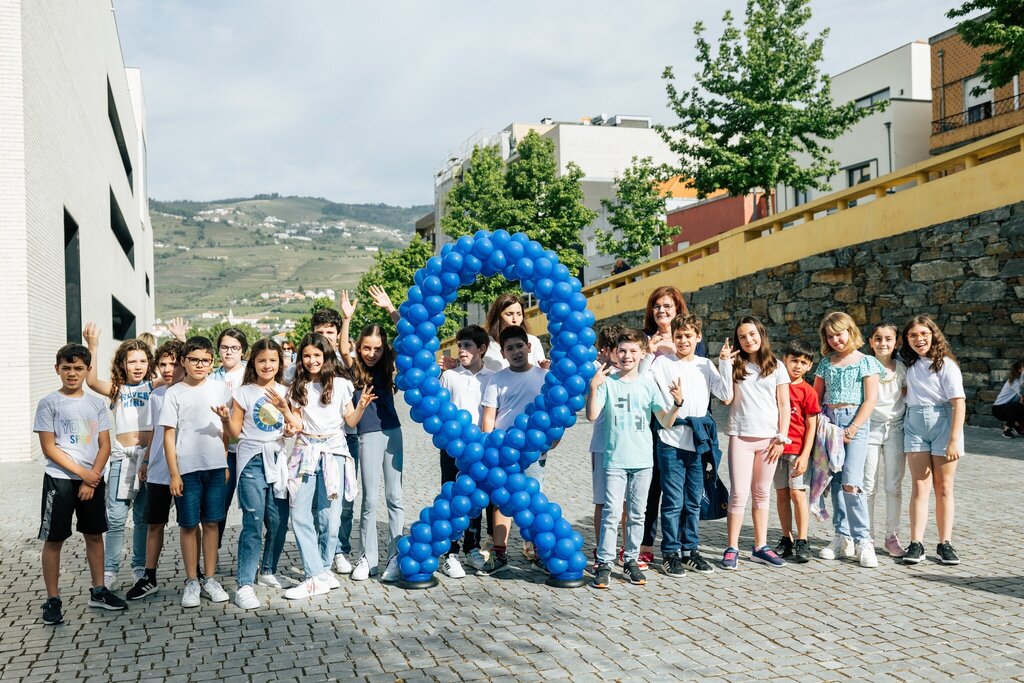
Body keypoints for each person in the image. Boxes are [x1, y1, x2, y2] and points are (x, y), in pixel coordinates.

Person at [36, 344, 126, 625]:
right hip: (60, 480)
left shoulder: (96, 403)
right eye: (66, 368)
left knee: (94, 535)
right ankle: (53, 599)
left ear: (87, 370)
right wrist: (82, 474)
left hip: (92, 480)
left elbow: (105, 444)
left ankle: (99, 591)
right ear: (57, 369)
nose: (72, 373)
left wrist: (93, 476)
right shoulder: (49, 403)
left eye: (78, 368)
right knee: (54, 539)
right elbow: (49, 448)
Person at [589, 329, 684, 589]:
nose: (627, 356)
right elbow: (592, 415)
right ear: (615, 353)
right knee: (611, 513)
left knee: (637, 514)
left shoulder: (648, 384)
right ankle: (605, 562)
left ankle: (631, 559)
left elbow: (665, 421)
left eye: (633, 351)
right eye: (622, 351)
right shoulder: (608, 382)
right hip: (614, 460)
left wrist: (677, 404)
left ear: (643, 353)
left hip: (642, 461)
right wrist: (593, 387)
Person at [218, 338, 302, 609]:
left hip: (277, 460)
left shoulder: (286, 391)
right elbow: (234, 432)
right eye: (262, 360)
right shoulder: (243, 393)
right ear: (253, 362)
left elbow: (295, 425)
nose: (267, 365)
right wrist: (224, 419)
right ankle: (245, 584)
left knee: (278, 521)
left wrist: (287, 422)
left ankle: (267, 570)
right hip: (251, 461)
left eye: (272, 360)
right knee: (253, 521)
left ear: (280, 363)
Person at [284, 333, 369, 598]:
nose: (311, 360)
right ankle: (314, 575)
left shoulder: (342, 384)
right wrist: (284, 412)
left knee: (330, 519)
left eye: (317, 355)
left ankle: (322, 570)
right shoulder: (298, 386)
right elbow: (298, 423)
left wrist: (361, 406)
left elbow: (350, 421)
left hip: (334, 453)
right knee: (299, 512)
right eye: (306, 356)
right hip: (305, 452)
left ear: (326, 356)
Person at [648, 315, 733, 577]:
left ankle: (690, 551)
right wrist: (648, 353)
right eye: (679, 336)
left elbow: (726, 395)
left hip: (697, 441)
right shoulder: (662, 363)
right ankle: (670, 552)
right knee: (673, 501)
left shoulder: (705, 365)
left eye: (688, 336)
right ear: (673, 338)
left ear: (698, 337)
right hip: (671, 440)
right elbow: (647, 386)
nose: (683, 340)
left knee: (693, 500)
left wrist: (725, 363)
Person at [82, 322, 157, 591]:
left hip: (148, 459)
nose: (138, 366)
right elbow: (91, 381)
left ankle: (139, 568)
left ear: (149, 363)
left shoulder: (154, 386)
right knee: (115, 518)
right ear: (122, 364)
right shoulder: (117, 389)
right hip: (121, 459)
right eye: (132, 361)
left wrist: (180, 339)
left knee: (142, 518)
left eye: (142, 361)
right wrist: (92, 345)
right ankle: (110, 571)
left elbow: (179, 374)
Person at [159, 336, 233, 607]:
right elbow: (169, 436)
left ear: (212, 363)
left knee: (212, 523)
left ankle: (210, 578)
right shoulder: (174, 393)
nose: (200, 365)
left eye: (205, 360)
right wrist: (174, 473)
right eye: (194, 360)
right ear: (183, 361)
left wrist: (224, 461)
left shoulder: (220, 389)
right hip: (187, 469)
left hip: (215, 467)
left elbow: (226, 430)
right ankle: (192, 580)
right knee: (189, 525)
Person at [639, 285, 703, 567]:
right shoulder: (645, 339)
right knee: (652, 483)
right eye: (657, 306)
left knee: (682, 491)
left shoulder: (687, 338)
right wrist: (649, 351)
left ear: (678, 310)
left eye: (667, 305)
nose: (661, 310)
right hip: (650, 418)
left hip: (680, 421)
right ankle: (646, 543)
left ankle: (683, 546)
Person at [720, 316, 791, 570]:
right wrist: (724, 364)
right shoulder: (735, 365)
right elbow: (726, 399)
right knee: (739, 493)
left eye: (752, 334)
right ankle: (732, 548)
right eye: (742, 336)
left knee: (761, 493)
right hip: (740, 437)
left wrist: (782, 438)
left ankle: (760, 547)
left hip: (769, 440)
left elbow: (784, 405)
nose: (748, 340)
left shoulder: (777, 366)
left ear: (761, 334)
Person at [814, 312, 882, 568]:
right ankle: (842, 536)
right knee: (836, 480)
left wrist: (852, 428)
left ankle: (863, 539)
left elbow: (870, 400)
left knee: (852, 483)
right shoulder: (826, 364)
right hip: (830, 424)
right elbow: (816, 398)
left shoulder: (866, 362)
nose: (835, 340)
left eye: (839, 334)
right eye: (830, 336)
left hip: (855, 423)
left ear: (850, 331)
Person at [479, 325, 548, 576]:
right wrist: (488, 447)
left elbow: (552, 413)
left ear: (529, 347)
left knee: (534, 501)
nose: (516, 351)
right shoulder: (497, 379)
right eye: (510, 348)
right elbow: (489, 416)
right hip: (503, 452)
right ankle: (499, 554)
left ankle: (540, 553)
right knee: (501, 502)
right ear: (503, 353)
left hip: (533, 452)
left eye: (520, 346)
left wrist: (552, 440)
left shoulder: (543, 376)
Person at [898, 315, 966, 566]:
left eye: (924, 334)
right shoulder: (907, 364)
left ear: (933, 335)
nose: (919, 339)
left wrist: (954, 439)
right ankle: (916, 543)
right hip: (915, 424)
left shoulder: (946, 364)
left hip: (943, 423)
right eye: (913, 335)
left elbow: (959, 403)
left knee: (944, 486)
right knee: (919, 485)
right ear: (907, 339)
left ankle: (945, 543)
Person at [346, 324, 405, 583]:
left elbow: (406, 335)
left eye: (378, 349)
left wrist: (391, 308)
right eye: (367, 348)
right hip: (367, 434)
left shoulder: (388, 365)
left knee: (395, 497)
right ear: (359, 347)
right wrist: (347, 319)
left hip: (393, 432)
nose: (372, 354)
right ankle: (366, 558)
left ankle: (395, 558)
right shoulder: (353, 368)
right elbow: (342, 348)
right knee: (369, 500)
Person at [126, 340, 184, 601]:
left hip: (187, 469)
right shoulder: (156, 395)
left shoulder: (190, 392)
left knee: (190, 524)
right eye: (163, 364)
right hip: (159, 470)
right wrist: (147, 461)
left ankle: (196, 575)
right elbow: (153, 433)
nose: (168, 369)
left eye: (174, 363)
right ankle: (149, 576)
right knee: (154, 523)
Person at [438, 324, 495, 577]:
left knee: (476, 500)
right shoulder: (450, 377)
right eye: (459, 345)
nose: (461, 350)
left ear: (481, 349)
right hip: (453, 448)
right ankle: (450, 552)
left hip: (481, 448)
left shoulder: (493, 377)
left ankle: (472, 548)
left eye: (468, 346)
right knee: (452, 496)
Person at [773, 340, 821, 564]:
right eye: (794, 361)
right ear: (785, 360)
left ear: (809, 366)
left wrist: (805, 455)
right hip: (776, 449)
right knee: (782, 493)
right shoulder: (775, 385)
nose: (798, 366)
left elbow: (812, 425)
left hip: (797, 450)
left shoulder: (808, 391)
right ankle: (787, 538)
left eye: (803, 362)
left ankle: (803, 539)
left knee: (797, 494)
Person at [865, 323, 909, 557]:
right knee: (867, 486)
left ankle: (892, 536)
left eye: (888, 339)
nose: (883, 343)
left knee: (894, 486)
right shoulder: (864, 365)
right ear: (871, 341)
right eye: (878, 338)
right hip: (869, 429)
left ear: (896, 342)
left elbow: (906, 396)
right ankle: (866, 536)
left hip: (895, 429)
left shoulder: (901, 369)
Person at [211, 328, 248, 550]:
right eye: (224, 347)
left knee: (253, 506)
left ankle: (252, 556)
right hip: (222, 450)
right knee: (219, 505)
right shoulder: (211, 377)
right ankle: (212, 554)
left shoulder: (251, 374)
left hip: (247, 447)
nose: (229, 352)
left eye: (234, 348)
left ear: (243, 350)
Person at [588, 325, 623, 559]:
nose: (622, 354)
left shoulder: (631, 370)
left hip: (627, 445)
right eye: (615, 349)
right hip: (602, 444)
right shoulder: (596, 371)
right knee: (602, 500)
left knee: (626, 502)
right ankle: (602, 547)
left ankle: (626, 548)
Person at [481, 294, 548, 372]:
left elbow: (541, 372)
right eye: (509, 314)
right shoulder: (485, 343)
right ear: (497, 316)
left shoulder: (533, 341)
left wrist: (545, 368)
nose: (515, 319)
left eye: (519, 314)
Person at [993, 359, 1024, 439]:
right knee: (1017, 406)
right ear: (1019, 370)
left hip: (1010, 407)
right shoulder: (1014, 382)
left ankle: (1018, 427)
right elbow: (1022, 393)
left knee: (1019, 406)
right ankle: (1007, 430)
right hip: (999, 409)